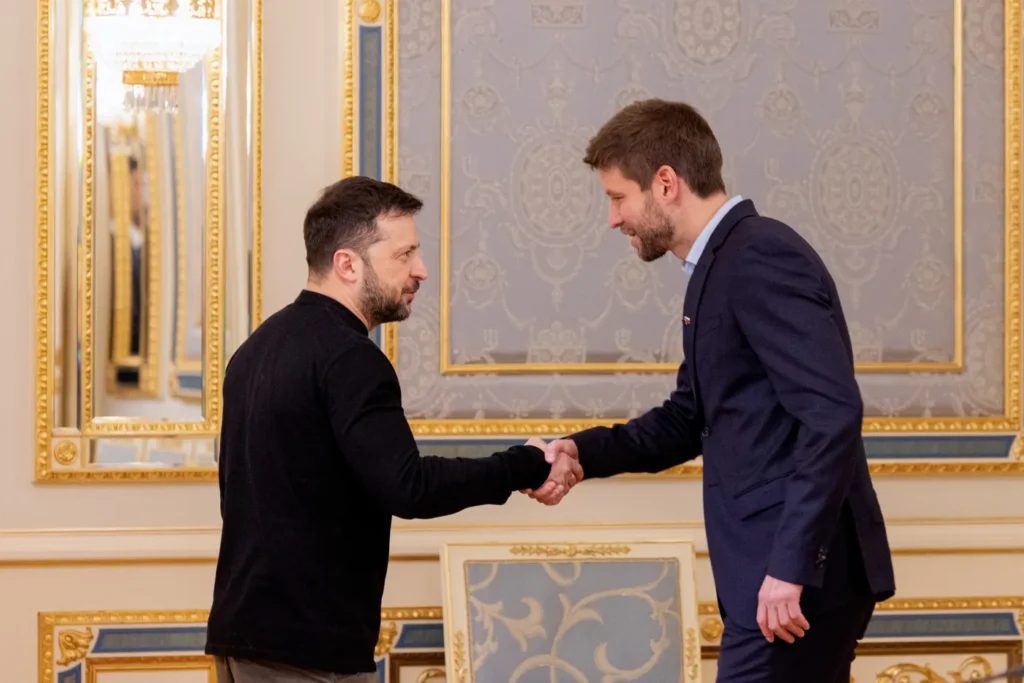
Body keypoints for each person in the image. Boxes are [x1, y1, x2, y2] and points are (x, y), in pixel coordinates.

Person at [529, 99, 895, 682]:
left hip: (791, 584)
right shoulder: (721, 265)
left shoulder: (757, 257)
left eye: (618, 197)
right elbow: (691, 416)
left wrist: (791, 566)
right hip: (772, 577)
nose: (613, 218)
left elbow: (831, 413)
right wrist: (582, 452)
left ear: (666, 183)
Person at [205, 176, 582, 683]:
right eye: (404, 255)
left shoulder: (253, 351)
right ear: (347, 263)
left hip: (239, 641)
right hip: (309, 652)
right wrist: (526, 462)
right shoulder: (352, 358)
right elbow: (409, 487)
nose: (420, 270)